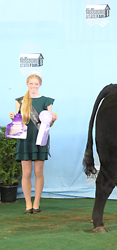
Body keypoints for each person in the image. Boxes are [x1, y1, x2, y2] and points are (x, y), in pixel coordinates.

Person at [9, 71, 57, 214]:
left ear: (40, 85)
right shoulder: (20, 101)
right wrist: (13, 117)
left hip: (40, 139)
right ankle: (27, 204)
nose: (33, 86)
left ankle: (36, 203)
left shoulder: (47, 101)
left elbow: (49, 125)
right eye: (31, 83)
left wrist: (53, 119)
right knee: (26, 173)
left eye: (36, 84)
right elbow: (18, 122)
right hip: (25, 139)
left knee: (38, 172)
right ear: (27, 84)